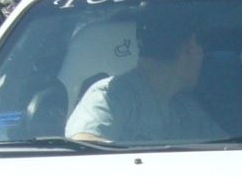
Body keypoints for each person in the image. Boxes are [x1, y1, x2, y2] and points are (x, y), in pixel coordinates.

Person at [66, 10, 220, 144]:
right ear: (192, 46)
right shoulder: (111, 96)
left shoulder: (186, 111)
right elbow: (84, 142)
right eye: (205, 48)